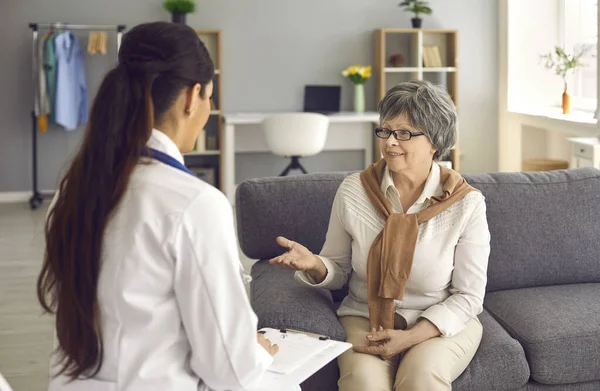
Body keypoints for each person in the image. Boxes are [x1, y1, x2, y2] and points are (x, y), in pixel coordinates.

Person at [37, 22, 278, 391]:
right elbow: (231, 373)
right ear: (191, 97)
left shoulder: (74, 189)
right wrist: (257, 351)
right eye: (210, 97)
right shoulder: (194, 204)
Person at [271, 80, 491, 391]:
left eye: (404, 133)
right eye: (385, 131)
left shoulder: (466, 205)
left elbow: (469, 297)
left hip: (437, 323)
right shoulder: (354, 191)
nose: (389, 142)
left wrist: (412, 337)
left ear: (435, 142)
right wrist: (315, 265)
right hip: (365, 316)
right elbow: (338, 270)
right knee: (363, 383)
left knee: (420, 378)